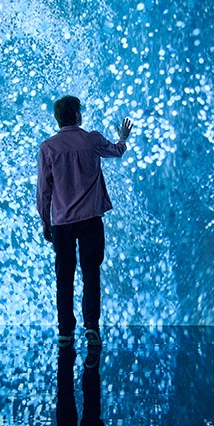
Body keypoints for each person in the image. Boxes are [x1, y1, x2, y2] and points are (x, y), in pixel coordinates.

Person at [36, 95, 133, 347]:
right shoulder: (92, 140)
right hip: (91, 220)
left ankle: (65, 331)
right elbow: (116, 151)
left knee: (64, 277)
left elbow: (44, 190)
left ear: (58, 119)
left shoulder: (48, 148)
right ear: (78, 116)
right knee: (91, 274)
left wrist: (45, 221)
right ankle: (91, 326)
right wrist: (123, 138)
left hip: (62, 223)